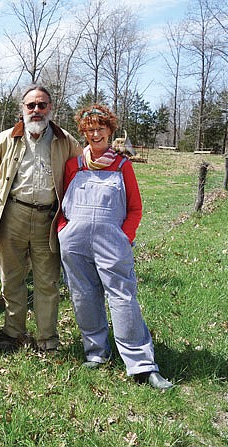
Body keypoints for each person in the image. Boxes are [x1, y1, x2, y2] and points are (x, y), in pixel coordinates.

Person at [57, 103, 173, 390]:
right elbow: (62, 205)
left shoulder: (123, 166)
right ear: (83, 132)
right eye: (89, 130)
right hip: (74, 243)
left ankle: (142, 364)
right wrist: (64, 231)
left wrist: (125, 237)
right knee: (83, 296)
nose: (95, 134)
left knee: (123, 299)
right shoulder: (74, 165)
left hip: (113, 243)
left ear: (110, 130)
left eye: (101, 129)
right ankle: (96, 352)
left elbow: (135, 208)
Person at [0, 84, 81, 352]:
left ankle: (47, 339)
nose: (36, 110)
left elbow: (79, 175)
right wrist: (10, 196)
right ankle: (14, 334)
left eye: (42, 105)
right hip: (13, 215)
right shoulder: (5, 139)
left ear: (51, 108)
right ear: (22, 109)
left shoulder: (66, 141)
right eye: (31, 105)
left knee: (47, 281)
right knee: (12, 278)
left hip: (49, 219)